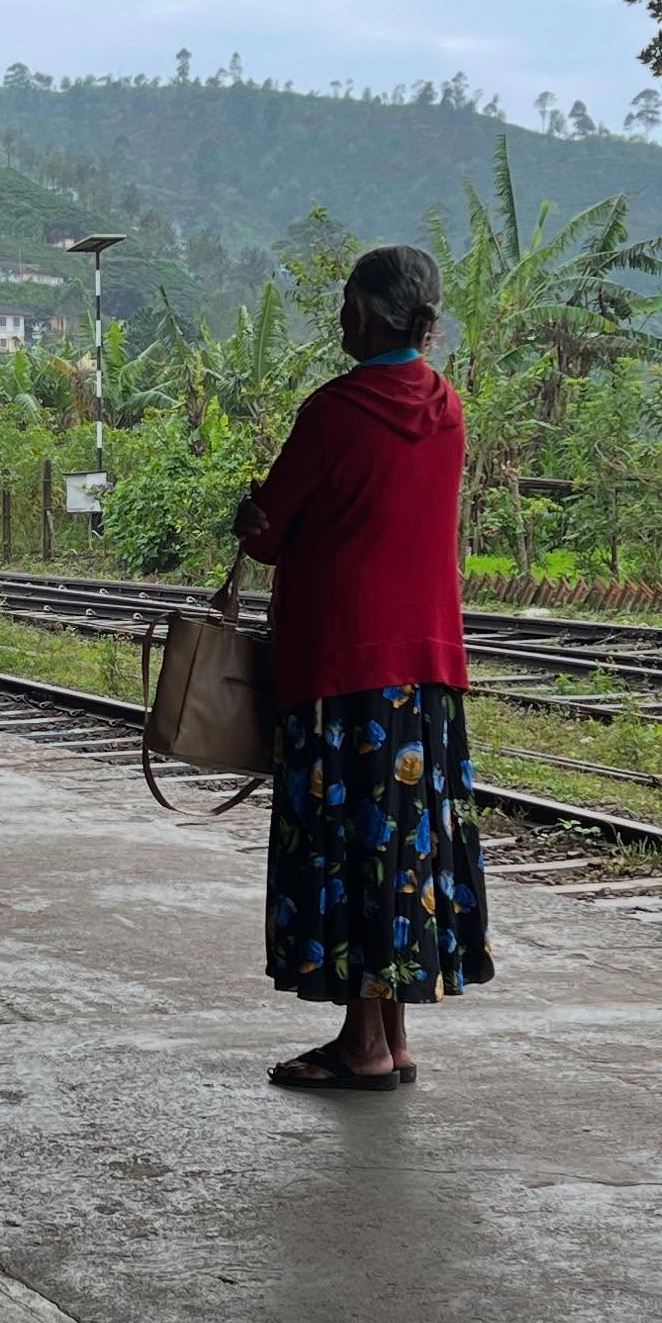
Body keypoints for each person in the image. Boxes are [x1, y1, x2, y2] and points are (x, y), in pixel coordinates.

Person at [233, 245, 493, 1092]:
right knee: (406, 854)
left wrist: (251, 515)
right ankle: (393, 1036)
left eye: (346, 303)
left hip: (344, 670)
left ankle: (363, 1048)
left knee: (351, 853)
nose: (340, 317)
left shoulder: (337, 411)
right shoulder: (448, 408)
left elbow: (267, 530)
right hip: (426, 673)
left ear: (368, 314)